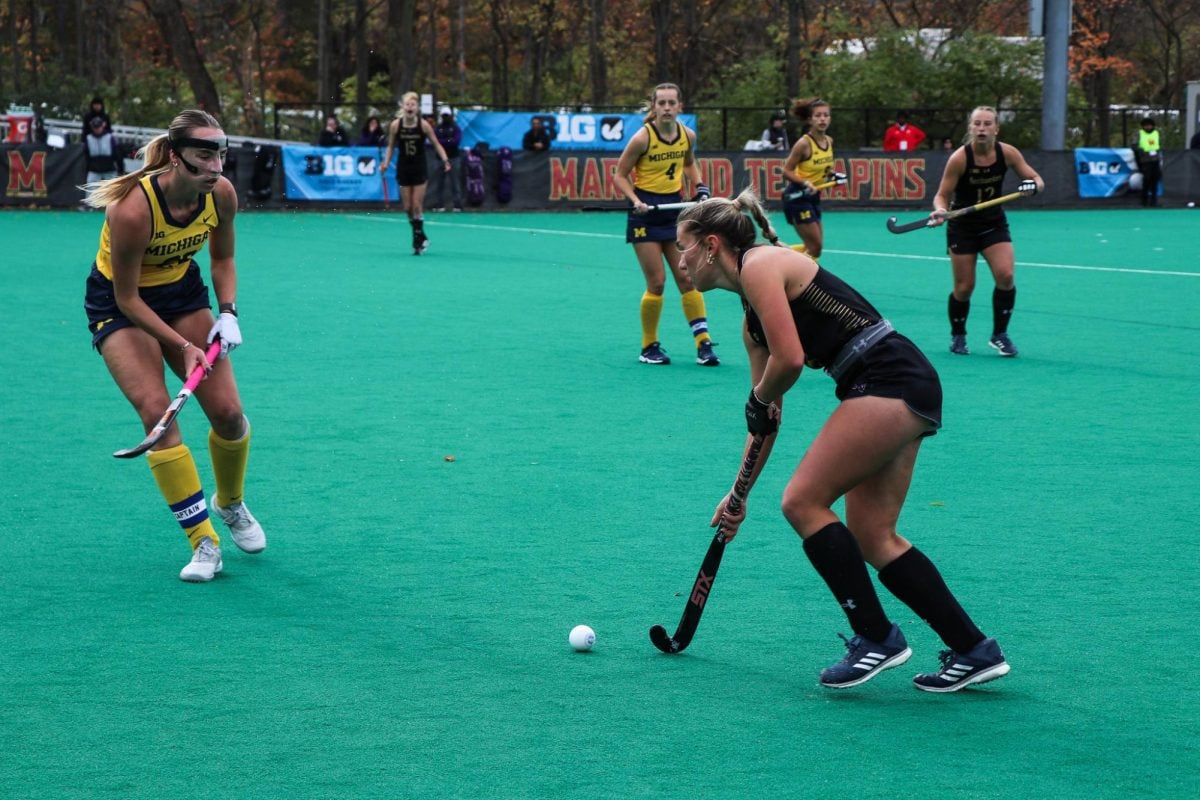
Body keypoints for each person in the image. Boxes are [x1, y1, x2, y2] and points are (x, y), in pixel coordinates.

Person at [673, 188, 1011, 693]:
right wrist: (737, 496)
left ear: (712, 244)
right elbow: (766, 418)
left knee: (802, 502)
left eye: (684, 246)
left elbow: (786, 365)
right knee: (874, 536)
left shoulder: (761, 263)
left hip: (887, 376)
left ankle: (876, 636)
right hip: (891, 382)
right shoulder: (750, 322)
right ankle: (973, 648)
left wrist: (759, 396)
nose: (680, 259)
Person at [81, 109, 265, 583]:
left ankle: (231, 503)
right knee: (156, 412)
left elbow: (222, 258)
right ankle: (204, 541)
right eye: (205, 155)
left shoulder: (220, 195)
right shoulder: (132, 208)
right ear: (178, 157)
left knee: (227, 413)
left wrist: (227, 312)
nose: (216, 166)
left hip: (182, 295)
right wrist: (183, 345)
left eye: (220, 154)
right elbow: (127, 297)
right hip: (122, 305)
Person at [612, 82, 718, 367]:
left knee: (687, 278)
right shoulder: (642, 138)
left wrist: (699, 186)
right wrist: (635, 200)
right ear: (654, 106)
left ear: (680, 106)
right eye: (662, 103)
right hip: (645, 212)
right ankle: (649, 346)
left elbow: (689, 162)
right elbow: (620, 175)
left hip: (675, 210)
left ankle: (703, 344)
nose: (667, 108)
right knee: (657, 282)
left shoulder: (688, 135)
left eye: (672, 103)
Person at [929, 106, 1043, 357]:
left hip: (993, 223)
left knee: (1006, 275)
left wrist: (1031, 186)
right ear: (970, 128)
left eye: (987, 124)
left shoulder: (1008, 153)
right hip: (962, 226)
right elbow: (942, 195)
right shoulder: (960, 158)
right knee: (964, 287)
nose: (982, 128)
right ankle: (958, 335)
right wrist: (940, 211)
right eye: (977, 124)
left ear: (996, 129)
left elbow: (1037, 179)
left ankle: (999, 335)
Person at [381, 91, 452, 255]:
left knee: (416, 205)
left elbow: (436, 144)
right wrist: (385, 163)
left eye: (413, 104)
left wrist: (445, 160)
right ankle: (422, 236)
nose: (410, 107)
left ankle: (416, 241)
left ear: (417, 108)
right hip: (403, 167)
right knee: (407, 207)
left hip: (419, 167)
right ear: (403, 107)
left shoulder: (424, 125)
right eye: (407, 104)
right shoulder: (395, 125)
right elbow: (391, 146)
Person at [781, 97, 837, 260]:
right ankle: (775, 263)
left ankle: (779, 263)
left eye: (826, 115)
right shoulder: (803, 144)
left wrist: (833, 174)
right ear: (810, 119)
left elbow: (825, 168)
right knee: (815, 247)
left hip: (813, 197)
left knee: (812, 247)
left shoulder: (829, 141)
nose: (822, 119)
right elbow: (786, 171)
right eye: (818, 115)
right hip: (797, 197)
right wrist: (805, 183)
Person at [430, 105, 464, 212]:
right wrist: (446, 141)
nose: (445, 117)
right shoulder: (438, 128)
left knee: (455, 182)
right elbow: (434, 141)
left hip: (454, 157)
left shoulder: (455, 128)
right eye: (443, 115)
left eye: (447, 115)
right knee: (439, 182)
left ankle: (457, 205)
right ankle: (439, 204)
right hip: (439, 158)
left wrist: (444, 142)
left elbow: (456, 141)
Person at [82, 115, 123, 185]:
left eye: (98, 127)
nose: (97, 129)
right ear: (92, 127)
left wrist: (120, 169)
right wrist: (86, 171)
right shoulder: (88, 139)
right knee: (90, 189)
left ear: (103, 125)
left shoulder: (110, 137)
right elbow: (86, 156)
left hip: (109, 170)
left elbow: (117, 155)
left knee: (113, 191)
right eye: (95, 127)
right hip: (94, 170)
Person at [1133, 116, 1162, 207]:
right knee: (1147, 179)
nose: (1148, 127)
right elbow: (1134, 145)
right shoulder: (1139, 133)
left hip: (1155, 159)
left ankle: (1154, 200)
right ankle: (1144, 200)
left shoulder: (1156, 133)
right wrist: (1140, 151)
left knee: (1155, 179)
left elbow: (1158, 144)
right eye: (1146, 126)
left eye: (1149, 125)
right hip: (1145, 160)